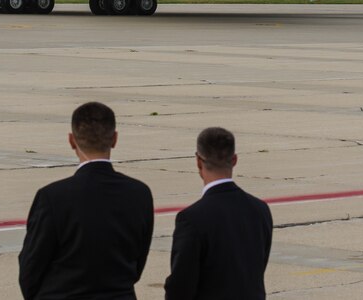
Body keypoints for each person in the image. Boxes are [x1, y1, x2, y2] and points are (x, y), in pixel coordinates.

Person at [18, 102, 154, 299]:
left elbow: (31, 269)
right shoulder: (139, 193)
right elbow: (137, 264)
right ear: (114, 139)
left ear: (72, 141)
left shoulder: (52, 197)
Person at [164, 127, 273, 300]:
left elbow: (181, 285)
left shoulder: (191, 218)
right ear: (234, 159)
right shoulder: (260, 209)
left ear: (199, 161)